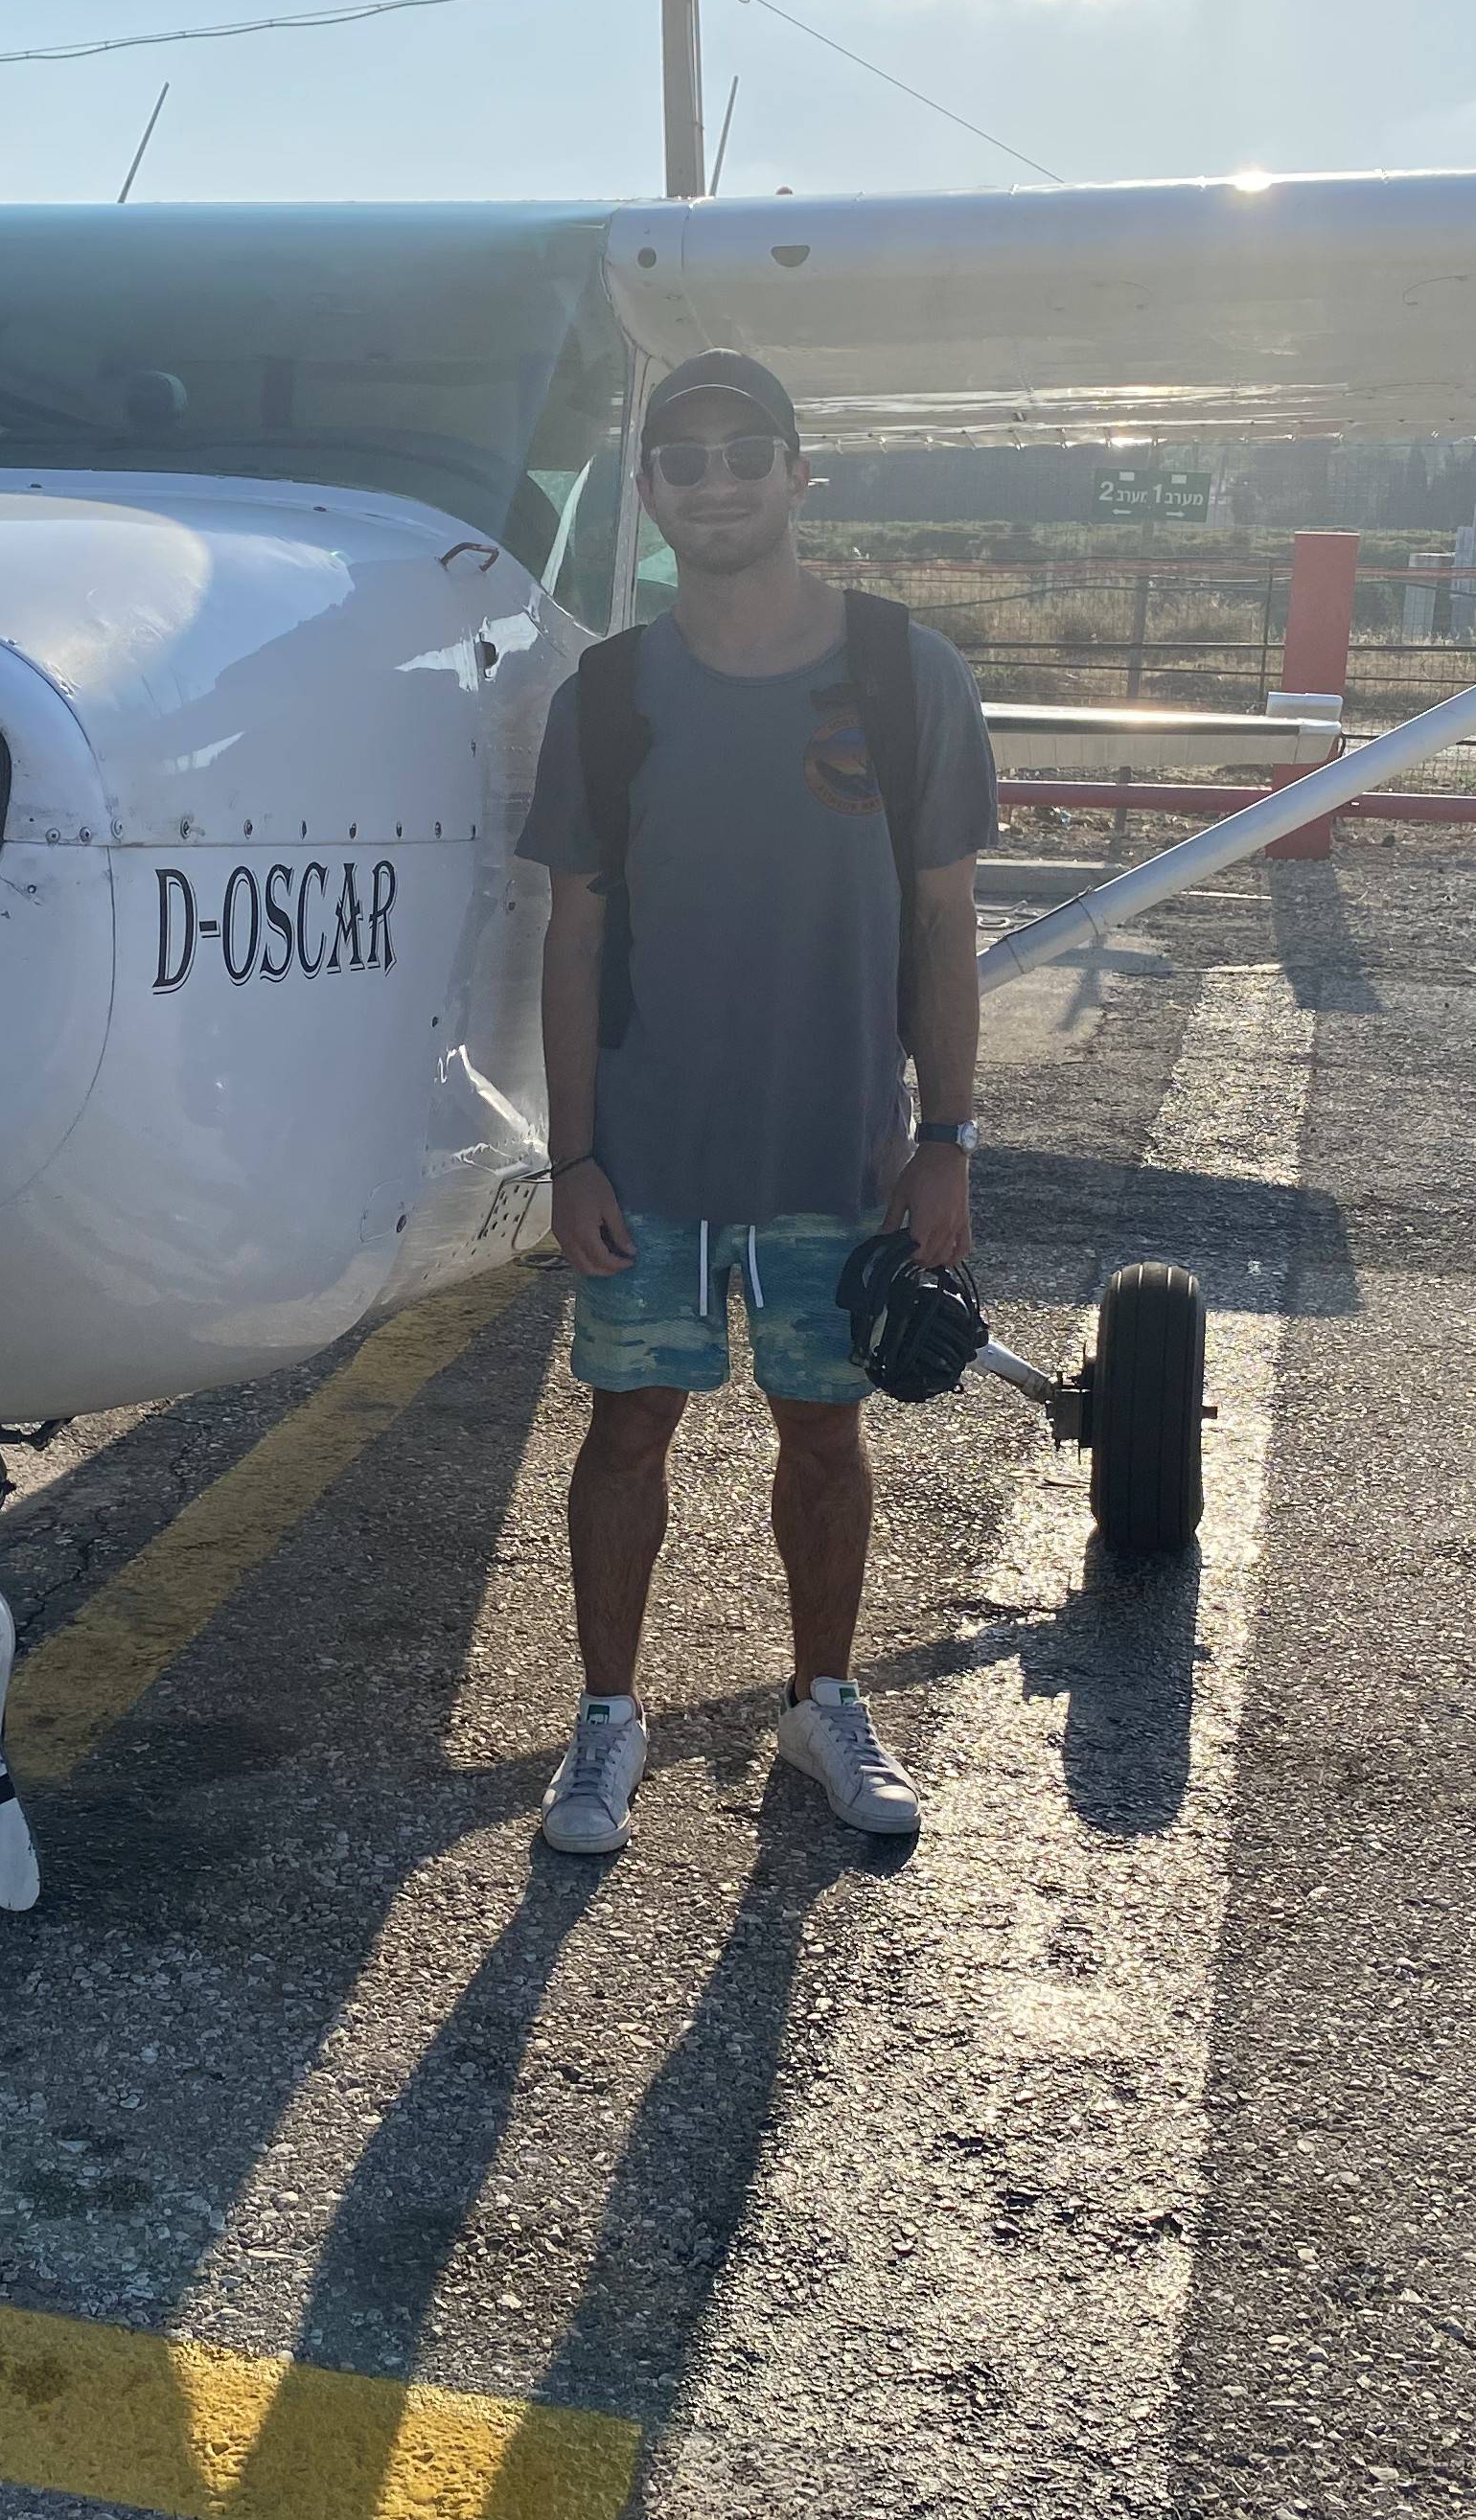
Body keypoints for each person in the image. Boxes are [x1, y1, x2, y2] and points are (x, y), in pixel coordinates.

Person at [513, 351, 996, 1856]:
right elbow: (576, 931)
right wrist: (572, 1151)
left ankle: (823, 1699)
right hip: (647, 1153)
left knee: (828, 1433)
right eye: (685, 460)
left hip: (836, 1143)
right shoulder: (608, 693)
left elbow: (943, 923)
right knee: (626, 1428)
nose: (716, 481)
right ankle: (607, 1723)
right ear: (651, 494)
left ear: (799, 474)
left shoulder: (904, 673)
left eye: (747, 453)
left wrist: (946, 1143)